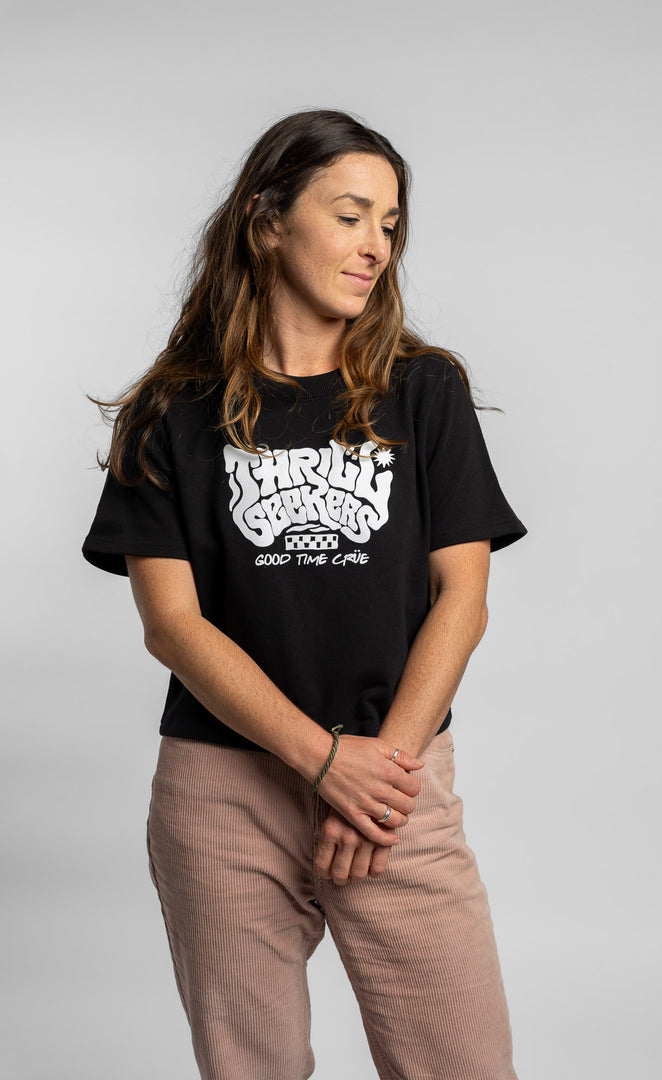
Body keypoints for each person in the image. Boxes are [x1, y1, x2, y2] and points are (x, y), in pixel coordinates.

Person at [82, 108, 527, 1080]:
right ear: (267, 220)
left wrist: (378, 773)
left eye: (391, 224)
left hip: (397, 782)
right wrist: (320, 761)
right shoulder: (172, 412)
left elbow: (464, 596)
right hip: (226, 790)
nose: (376, 245)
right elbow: (172, 624)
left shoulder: (424, 390)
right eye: (352, 214)